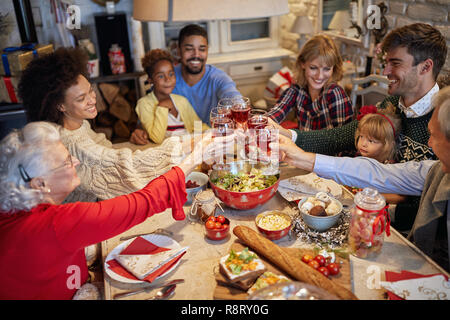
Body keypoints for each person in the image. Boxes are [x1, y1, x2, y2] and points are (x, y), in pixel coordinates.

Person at [0, 121, 215, 299]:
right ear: (39, 184)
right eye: (66, 162)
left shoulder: (11, 211)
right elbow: (145, 202)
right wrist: (195, 157)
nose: (75, 161)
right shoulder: (56, 223)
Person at [270, 23, 447, 231]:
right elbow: (341, 136)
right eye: (386, 62)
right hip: (371, 214)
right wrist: (289, 135)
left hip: (407, 233)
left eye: (395, 63)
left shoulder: (444, 121)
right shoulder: (390, 104)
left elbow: (425, 199)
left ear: (425, 67)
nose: (385, 71)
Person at [275, 85, 450, 272]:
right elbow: (376, 173)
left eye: (433, 135)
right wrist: (301, 157)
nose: (429, 143)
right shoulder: (434, 171)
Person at [18, 47, 198, 203]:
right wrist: (185, 148)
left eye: (91, 91)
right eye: (81, 98)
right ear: (60, 105)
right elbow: (122, 167)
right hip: (84, 218)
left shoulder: (76, 124)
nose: (92, 100)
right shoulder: (69, 143)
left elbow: (104, 150)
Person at [130, 24, 241, 144]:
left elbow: (235, 100)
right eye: (189, 49)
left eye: (202, 49)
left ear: (207, 50)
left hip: (209, 141)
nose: (196, 55)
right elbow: (148, 113)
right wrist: (140, 131)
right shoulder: (168, 75)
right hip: (175, 145)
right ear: (178, 51)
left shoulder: (219, 78)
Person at [266, 34, 354, 131]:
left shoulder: (334, 92)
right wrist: (261, 121)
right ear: (302, 63)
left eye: (327, 69)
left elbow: (343, 138)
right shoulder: (297, 90)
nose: (320, 76)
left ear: (334, 68)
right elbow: (277, 111)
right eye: (313, 68)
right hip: (301, 146)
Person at [136, 48, 209, 144]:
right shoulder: (144, 104)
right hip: (168, 152)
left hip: (189, 147)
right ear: (150, 80)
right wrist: (161, 107)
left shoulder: (181, 101)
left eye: (171, 74)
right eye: (161, 76)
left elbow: (197, 125)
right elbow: (156, 138)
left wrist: (210, 133)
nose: (168, 79)